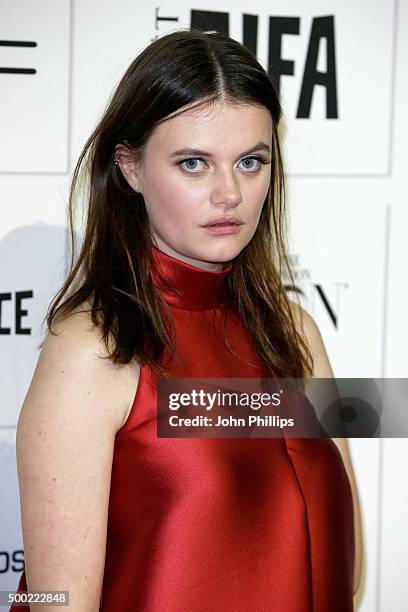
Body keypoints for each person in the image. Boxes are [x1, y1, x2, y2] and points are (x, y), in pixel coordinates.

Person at [10, 29, 362, 611]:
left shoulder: (296, 332)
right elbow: (56, 603)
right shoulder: (95, 348)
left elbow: (346, 569)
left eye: (251, 161)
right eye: (193, 163)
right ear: (129, 168)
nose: (230, 193)